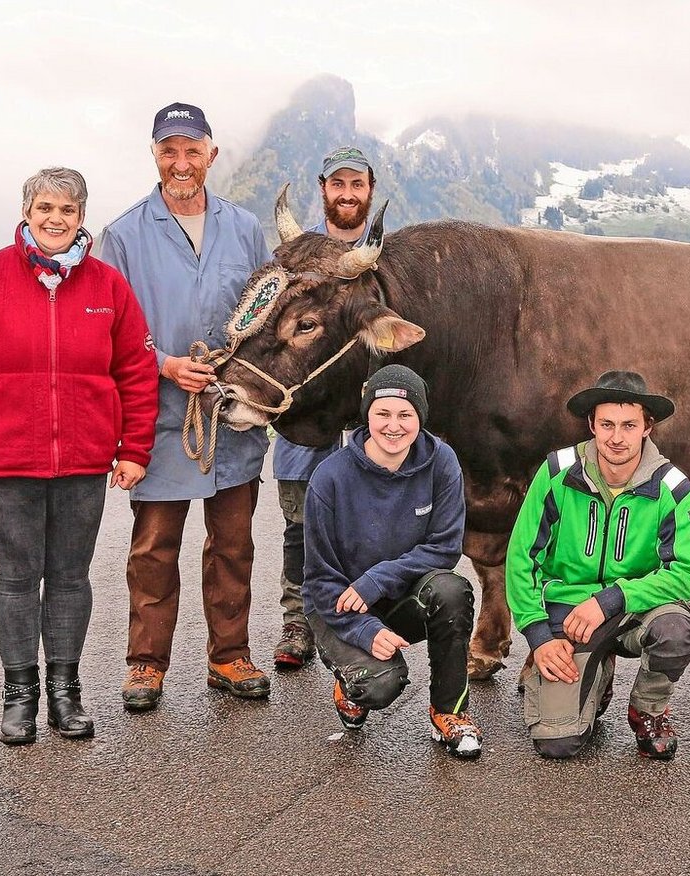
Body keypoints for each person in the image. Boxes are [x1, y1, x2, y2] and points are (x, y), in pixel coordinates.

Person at [0, 167, 158, 745]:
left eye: (68, 210)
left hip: (83, 460)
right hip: (6, 460)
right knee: (15, 580)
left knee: (71, 579)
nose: (56, 219)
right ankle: (19, 695)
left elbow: (135, 372)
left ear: (83, 217)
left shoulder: (107, 287)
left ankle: (65, 693)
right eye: (45, 208)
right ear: (26, 211)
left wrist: (134, 449)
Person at [97, 102, 274, 711]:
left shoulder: (246, 229)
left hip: (230, 416)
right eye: (169, 151)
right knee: (154, 547)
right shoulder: (122, 235)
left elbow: (264, 316)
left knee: (233, 544)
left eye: (191, 150)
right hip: (161, 414)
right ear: (154, 154)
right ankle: (145, 664)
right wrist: (164, 364)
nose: (181, 163)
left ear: (211, 155)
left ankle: (229, 656)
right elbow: (112, 329)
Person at [505, 370, 690, 760]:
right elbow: (521, 556)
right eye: (607, 424)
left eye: (629, 425)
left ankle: (648, 710)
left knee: (676, 628)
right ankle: (594, 675)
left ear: (647, 427)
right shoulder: (557, 473)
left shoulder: (674, 489)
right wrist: (538, 636)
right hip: (570, 611)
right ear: (591, 424)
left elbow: (684, 575)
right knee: (558, 744)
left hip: (634, 610)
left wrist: (613, 598)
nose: (616, 437)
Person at [302, 365, 482, 759]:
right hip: (340, 604)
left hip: (399, 596)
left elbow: (445, 547)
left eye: (406, 415)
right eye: (383, 413)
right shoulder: (329, 478)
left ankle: (449, 712)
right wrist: (363, 630)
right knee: (380, 684)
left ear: (420, 417)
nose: (394, 426)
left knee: (451, 591)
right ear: (367, 415)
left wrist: (377, 580)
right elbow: (319, 578)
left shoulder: (441, 462)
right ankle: (352, 682)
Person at [271, 145, 376, 670]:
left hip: (364, 428)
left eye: (356, 184)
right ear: (324, 190)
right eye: (339, 184)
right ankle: (297, 620)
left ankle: (352, 619)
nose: (348, 194)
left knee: (362, 526)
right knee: (300, 525)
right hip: (304, 420)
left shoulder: (387, 262)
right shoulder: (299, 257)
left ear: (370, 190)